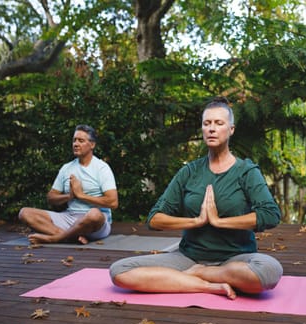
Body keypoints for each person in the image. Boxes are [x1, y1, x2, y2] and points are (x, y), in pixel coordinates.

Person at [109, 97, 282, 300]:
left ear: (231, 129)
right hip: (188, 257)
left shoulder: (246, 171)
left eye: (219, 123)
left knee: (269, 271)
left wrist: (219, 222)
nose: (211, 128)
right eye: (207, 123)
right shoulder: (189, 172)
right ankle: (207, 286)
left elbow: (270, 214)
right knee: (120, 271)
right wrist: (196, 221)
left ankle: (201, 274)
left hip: (236, 259)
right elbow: (155, 219)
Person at [18, 124, 118, 245]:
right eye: (74, 140)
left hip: (95, 223)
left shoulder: (102, 168)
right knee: (25, 213)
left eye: (81, 141)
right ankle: (71, 237)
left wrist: (81, 196)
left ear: (92, 145)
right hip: (69, 217)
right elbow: (51, 198)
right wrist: (69, 196)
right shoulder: (66, 168)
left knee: (94, 214)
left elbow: (113, 202)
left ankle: (55, 238)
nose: (76, 144)